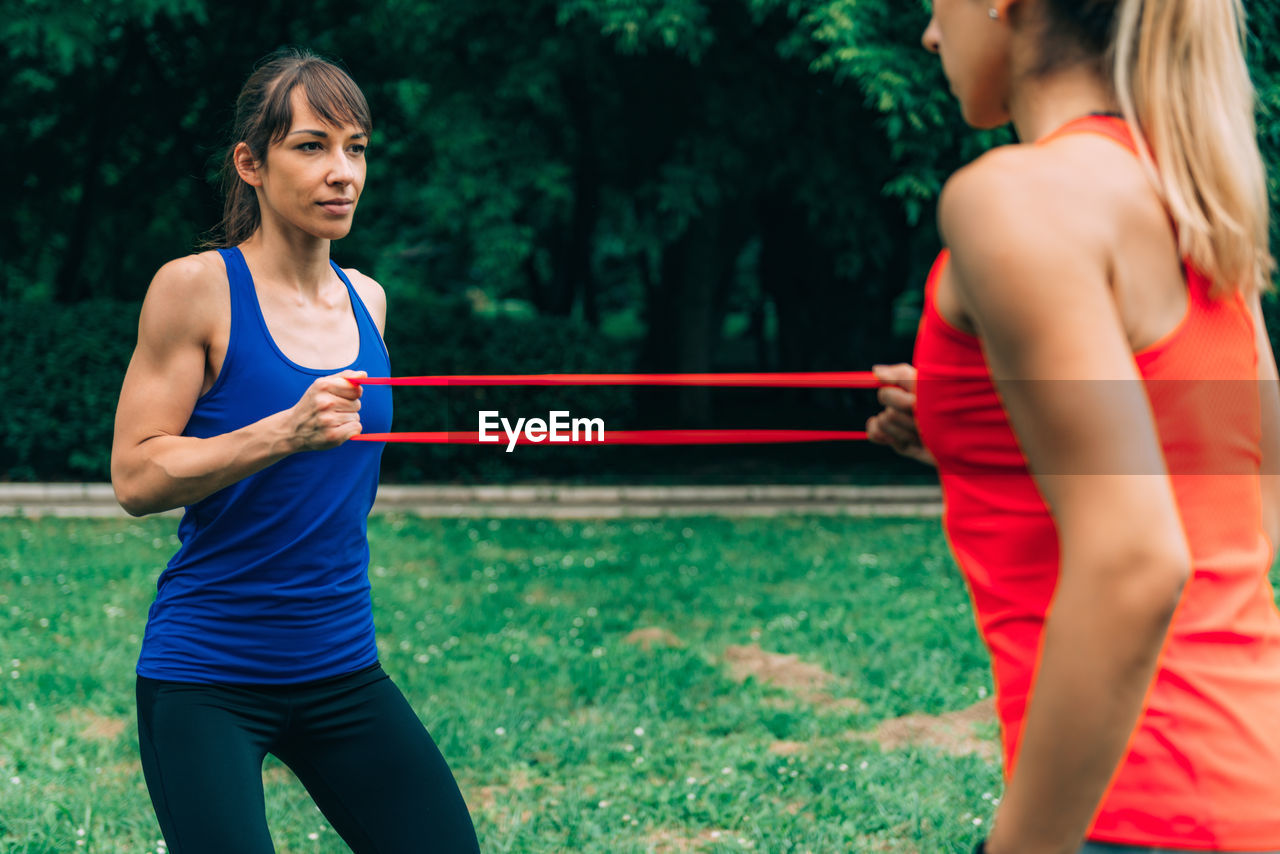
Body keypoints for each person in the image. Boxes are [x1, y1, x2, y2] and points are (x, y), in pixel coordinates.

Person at [866, 1, 1280, 852]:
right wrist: (971, 423)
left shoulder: (1010, 200)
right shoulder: (1193, 199)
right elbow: (1243, 490)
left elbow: (1137, 559)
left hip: (1138, 813)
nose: (930, 36)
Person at [110, 47, 480, 853]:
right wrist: (284, 431)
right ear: (251, 162)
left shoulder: (368, 300)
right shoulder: (196, 288)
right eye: (311, 146)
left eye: (357, 148)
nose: (342, 171)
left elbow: (345, 490)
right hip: (207, 674)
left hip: (341, 663)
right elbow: (136, 475)